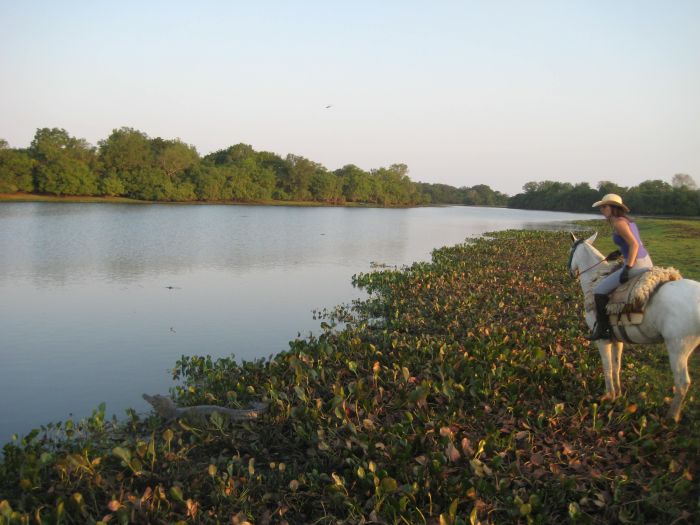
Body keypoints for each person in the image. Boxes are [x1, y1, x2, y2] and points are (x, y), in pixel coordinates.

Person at [586, 193, 653, 340]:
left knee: (599, 291)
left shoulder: (619, 223)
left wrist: (628, 268)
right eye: (601, 207)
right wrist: (618, 252)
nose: (602, 210)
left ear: (613, 208)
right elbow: (631, 243)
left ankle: (604, 329)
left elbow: (634, 244)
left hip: (635, 264)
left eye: (604, 207)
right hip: (645, 260)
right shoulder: (627, 221)